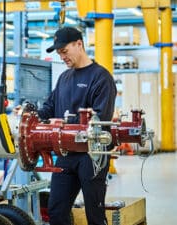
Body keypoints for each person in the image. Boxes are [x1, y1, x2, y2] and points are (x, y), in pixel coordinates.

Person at [39, 26, 117, 225]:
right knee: (56, 212)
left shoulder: (101, 78)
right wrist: (29, 115)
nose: (62, 57)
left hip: (91, 156)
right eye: (59, 53)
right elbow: (49, 108)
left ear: (79, 44)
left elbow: (101, 120)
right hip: (65, 155)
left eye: (64, 51)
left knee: (94, 215)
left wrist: (75, 124)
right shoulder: (64, 78)